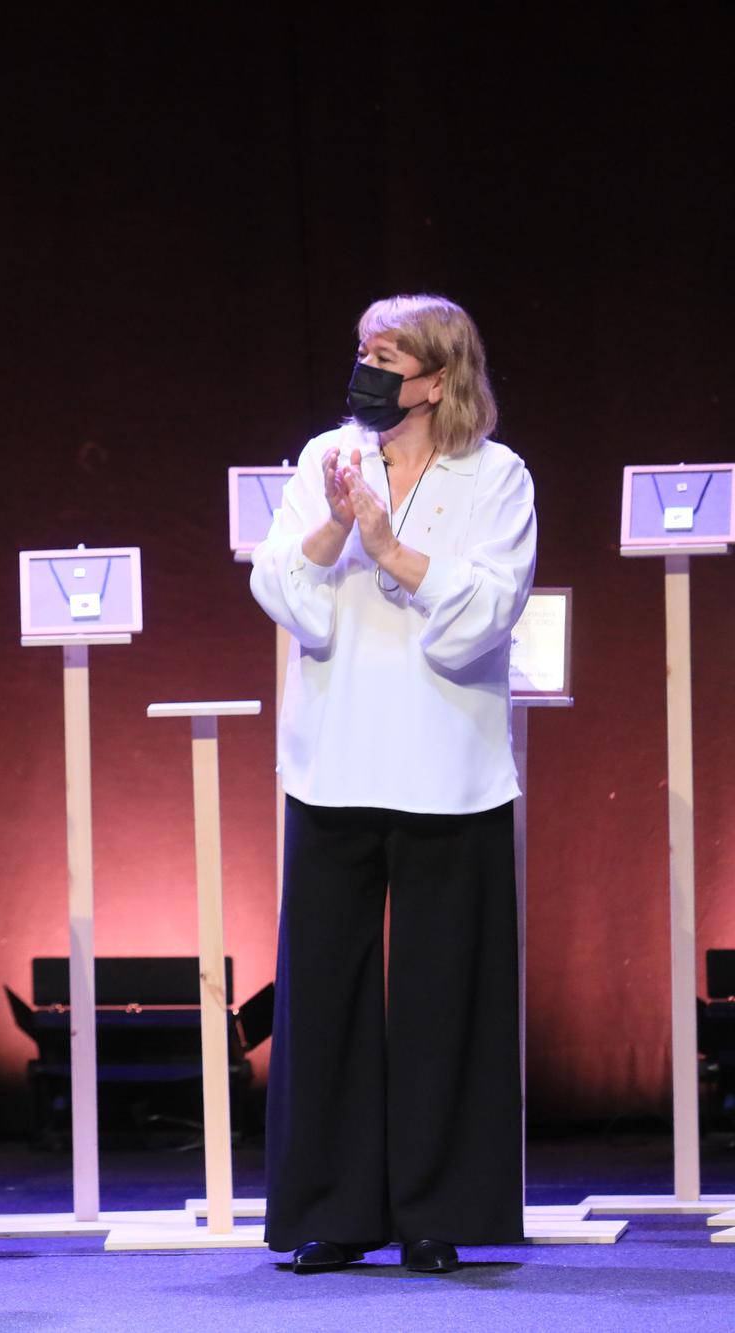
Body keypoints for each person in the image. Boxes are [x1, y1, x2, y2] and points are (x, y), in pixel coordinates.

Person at [250, 294, 535, 1275]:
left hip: (446, 762)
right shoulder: (323, 456)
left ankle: (435, 1208)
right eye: (360, 353)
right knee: (323, 988)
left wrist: (388, 547)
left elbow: (488, 610)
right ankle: (331, 1208)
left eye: (385, 356)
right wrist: (337, 528)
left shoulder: (493, 475)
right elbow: (281, 587)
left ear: (437, 376)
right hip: (333, 754)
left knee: (441, 993)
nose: (365, 372)